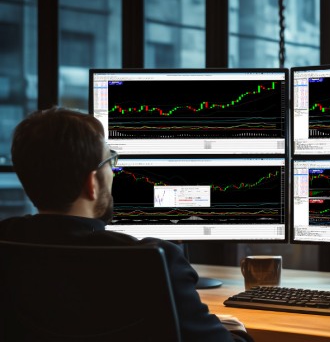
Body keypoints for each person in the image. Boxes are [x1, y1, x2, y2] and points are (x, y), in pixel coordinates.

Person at [0, 107, 252, 342]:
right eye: (110, 161)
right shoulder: (157, 262)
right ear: (92, 183)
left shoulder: (6, 241)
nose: (113, 172)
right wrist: (237, 333)